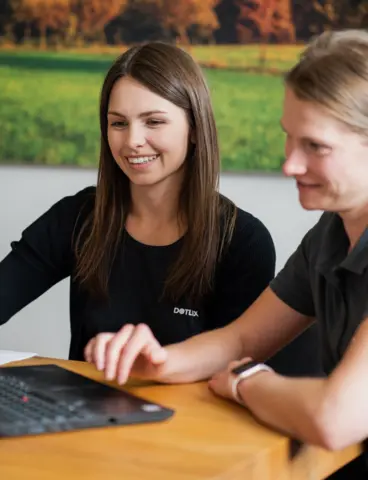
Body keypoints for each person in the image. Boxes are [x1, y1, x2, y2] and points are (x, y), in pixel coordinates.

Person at [84, 30, 368, 478]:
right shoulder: (330, 235)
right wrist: (161, 361)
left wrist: (246, 381)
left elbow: (335, 419)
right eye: (289, 138)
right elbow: (240, 340)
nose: (289, 164)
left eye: (315, 146)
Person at [0, 41, 316, 376]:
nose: (132, 140)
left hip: (192, 424)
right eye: (118, 123)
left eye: (153, 121)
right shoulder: (77, 218)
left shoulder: (242, 240)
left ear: (194, 128)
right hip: (81, 419)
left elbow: (238, 362)